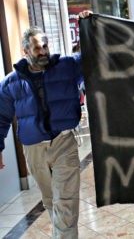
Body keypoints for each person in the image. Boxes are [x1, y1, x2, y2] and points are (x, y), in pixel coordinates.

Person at [0, 27, 83, 238]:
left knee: (65, 204)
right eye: (37, 48)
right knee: (50, 201)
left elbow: (91, 56)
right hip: (33, 149)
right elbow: (1, 117)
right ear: (25, 50)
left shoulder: (66, 67)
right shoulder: (11, 82)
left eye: (45, 46)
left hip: (63, 143)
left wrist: (88, 24)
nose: (43, 51)